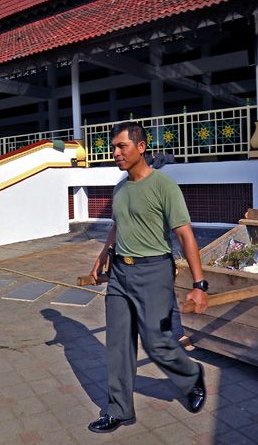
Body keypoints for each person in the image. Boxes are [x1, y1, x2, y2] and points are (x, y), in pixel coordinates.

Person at [87, 122, 208, 433]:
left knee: (157, 342)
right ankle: (119, 410)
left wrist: (199, 285)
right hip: (120, 274)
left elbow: (184, 234)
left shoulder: (164, 186)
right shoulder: (120, 188)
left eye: (122, 146)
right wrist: (101, 259)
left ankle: (191, 377)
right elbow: (117, 226)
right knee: (117, 344)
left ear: (141, 147)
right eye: (114, 147)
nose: (115, 153)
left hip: (154, 272)